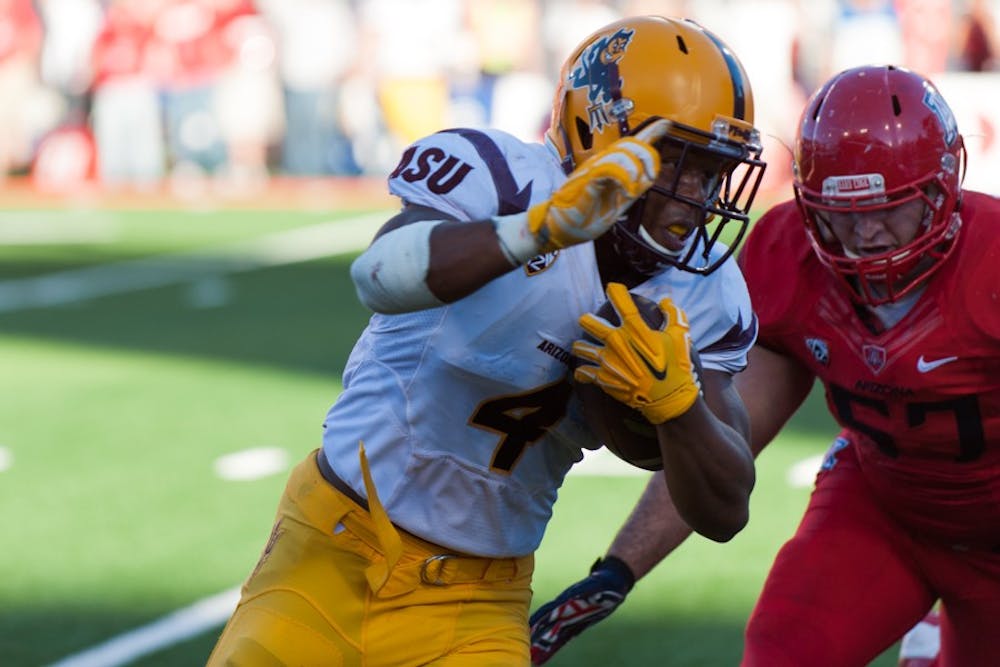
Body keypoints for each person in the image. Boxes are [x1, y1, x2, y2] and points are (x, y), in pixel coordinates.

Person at [206, 14, 767, 666]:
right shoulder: (505, 180)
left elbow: (726, 509)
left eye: (715, 172)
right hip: (332, 552)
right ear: (602, 131)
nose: (698, 199)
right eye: (681, 164)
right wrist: (531, 232)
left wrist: (680, 407)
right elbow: (378, 277)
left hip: (477, 603)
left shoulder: (706, 291)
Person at [530, 64, 1000, 667]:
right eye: (842, 213)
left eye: (889, 208)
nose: (866, 234)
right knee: (782, 652)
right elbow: (727, 436)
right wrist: (617, 570)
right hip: (884, 511)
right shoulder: (790, 255)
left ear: (941, 190)